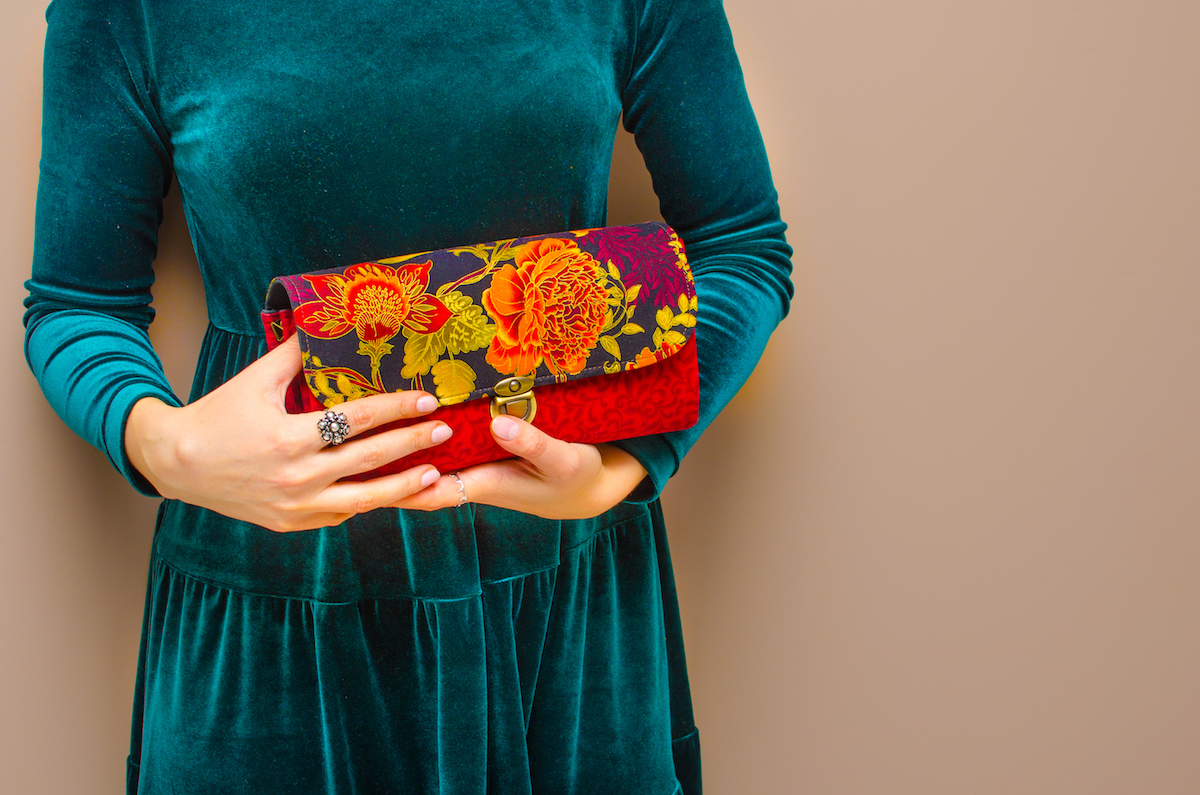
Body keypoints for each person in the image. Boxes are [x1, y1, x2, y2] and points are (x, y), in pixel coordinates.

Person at [24, 0, 793, 792]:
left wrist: (625, 464)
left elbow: (742, 244)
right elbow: (77, 303)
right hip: (276, 593)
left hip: (565, 600)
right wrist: (171, 449)